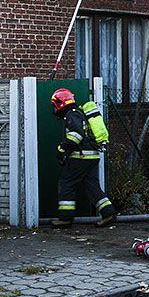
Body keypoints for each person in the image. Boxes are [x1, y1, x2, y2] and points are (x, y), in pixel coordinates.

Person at [50, 87, 117, 228]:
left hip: (80, 158)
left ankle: (65, 218)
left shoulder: (72, 115)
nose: (54, 109)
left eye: (55, 105)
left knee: (66, 184)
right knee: (92, 186)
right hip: (92, 157)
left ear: (61, 103)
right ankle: (108, 213)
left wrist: (62, 149)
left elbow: (76, 135)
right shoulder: (79, 113)